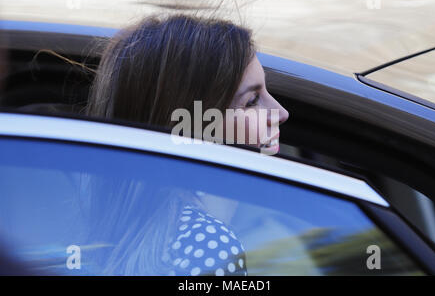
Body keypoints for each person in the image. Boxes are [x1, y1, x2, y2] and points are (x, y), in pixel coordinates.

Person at [84, 14, 289, 276]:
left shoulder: (132, 230)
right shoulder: (210, 247)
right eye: (251, 101)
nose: (281, 113)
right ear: (196, 126)